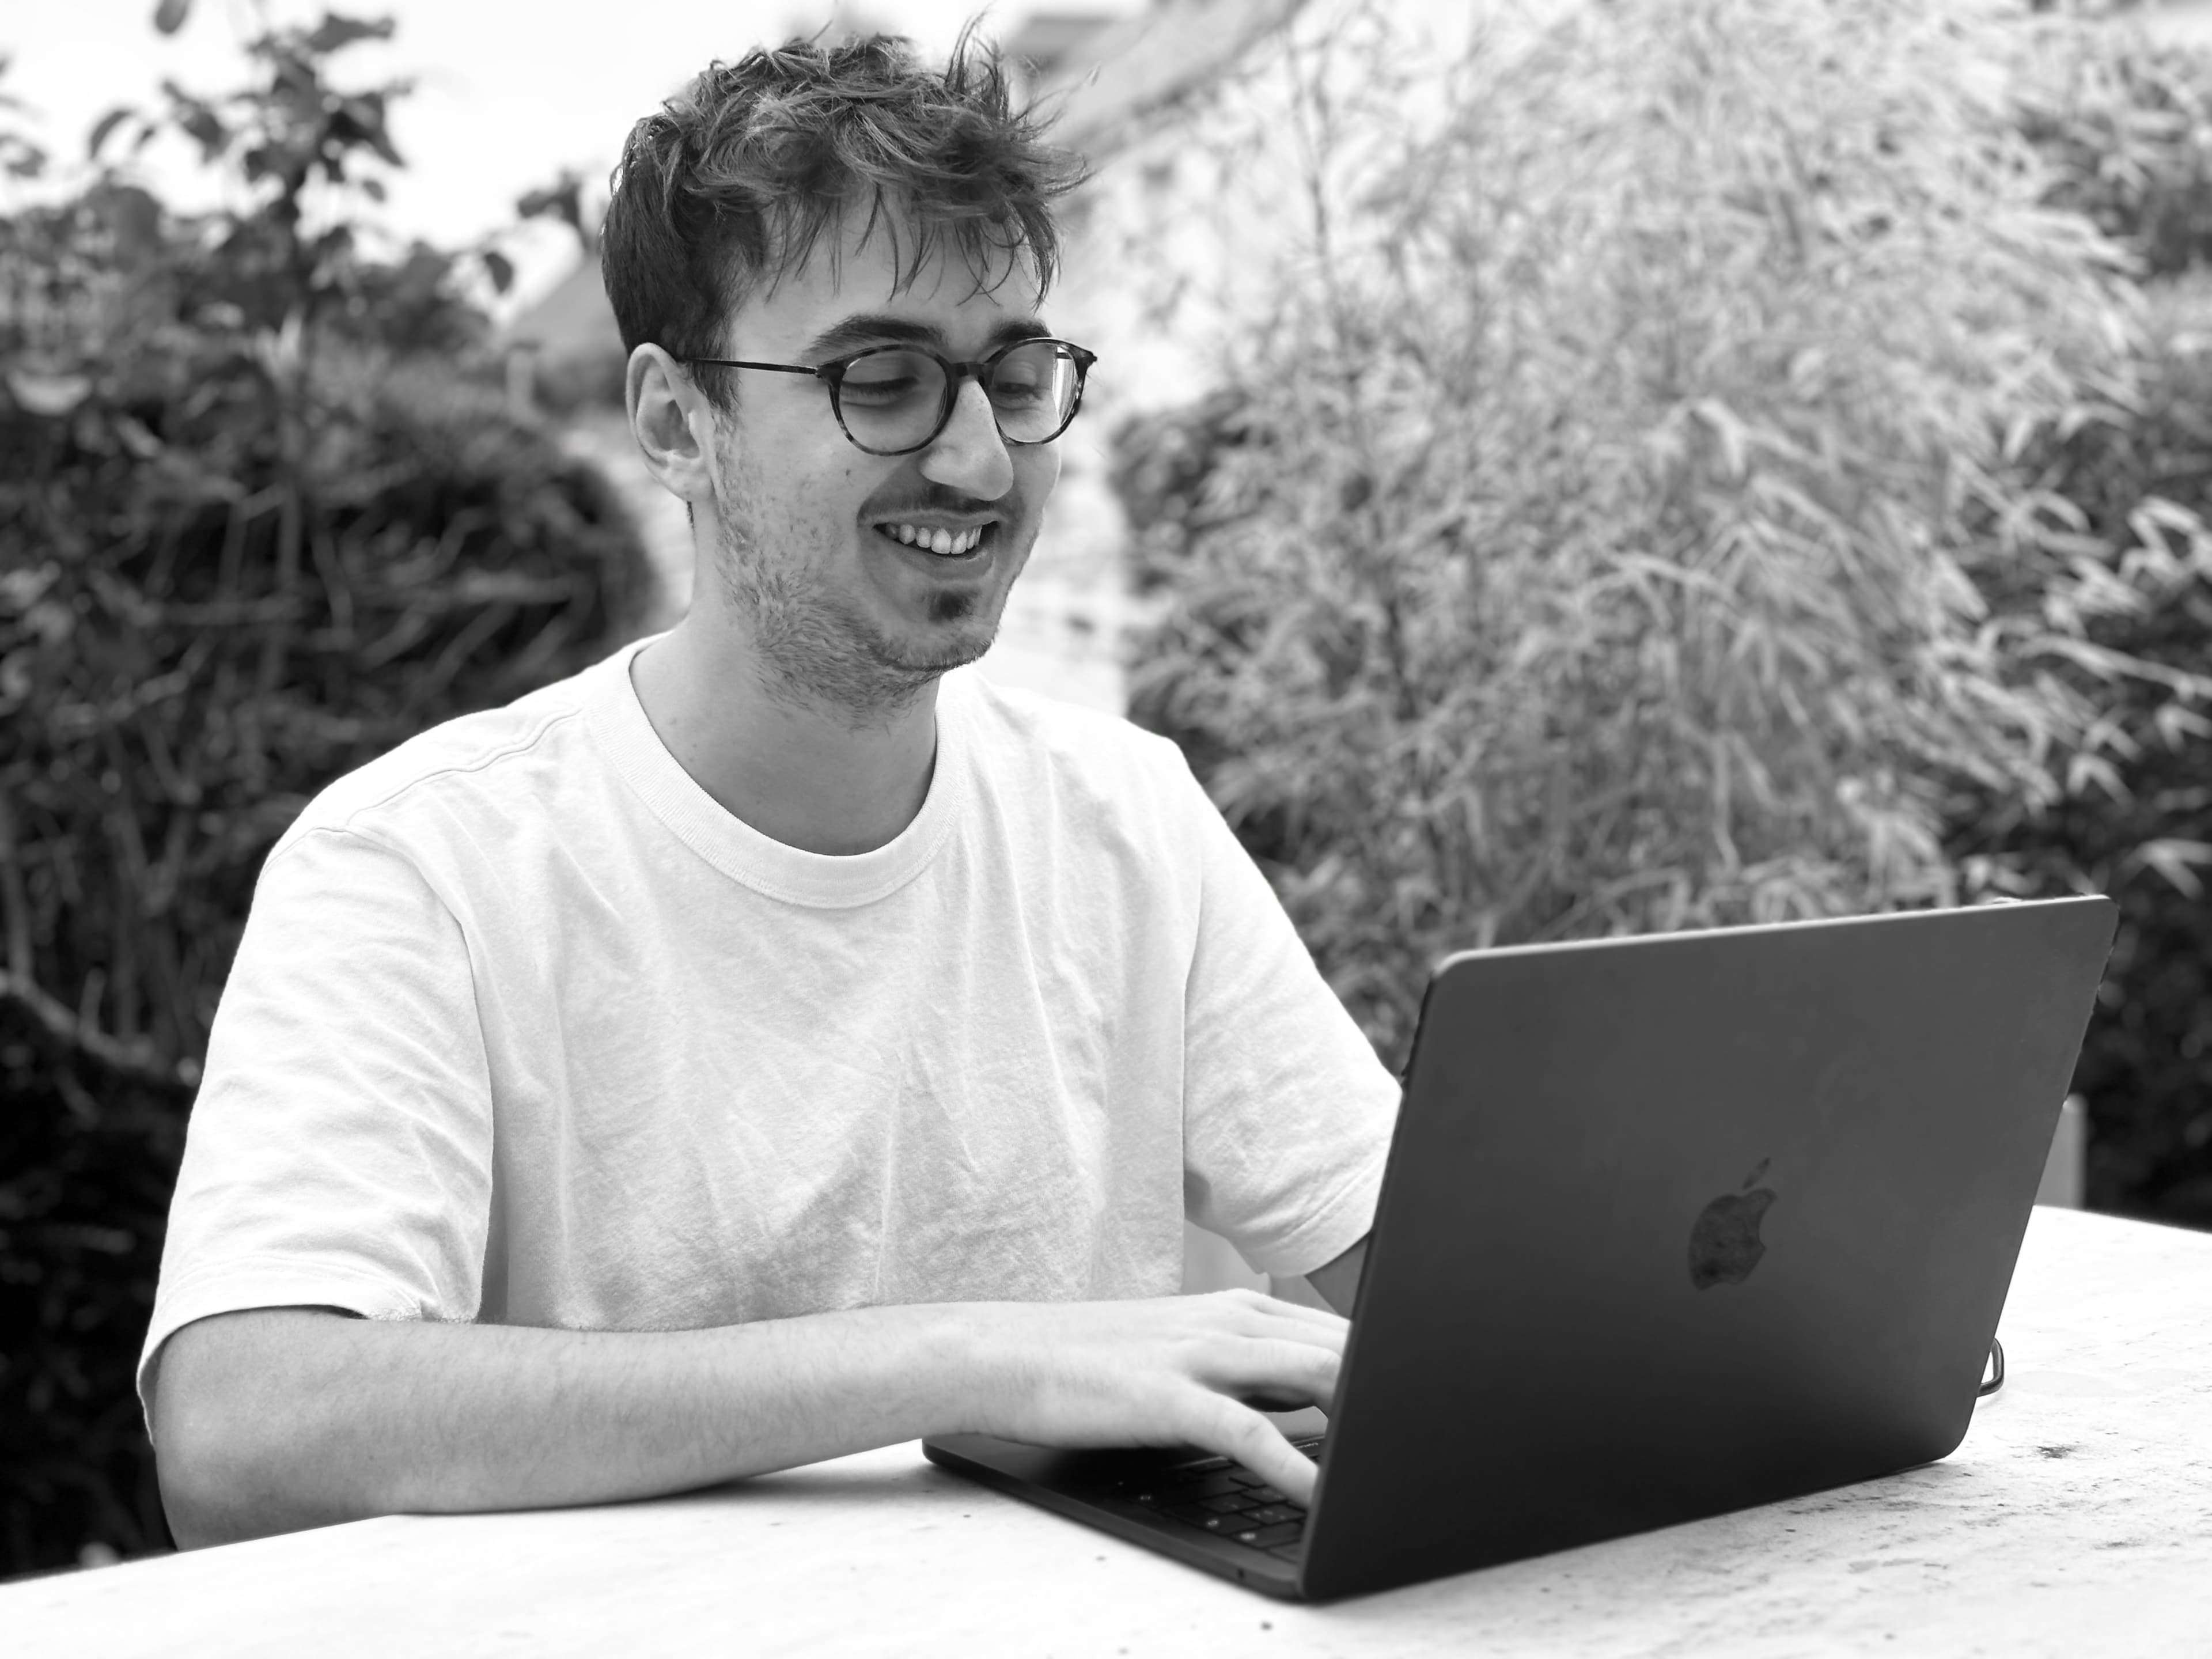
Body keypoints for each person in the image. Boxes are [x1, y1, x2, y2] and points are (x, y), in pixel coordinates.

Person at [143, 30, 1399, 1550]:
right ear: (678, 423)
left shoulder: (1127, 819)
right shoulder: (424, 866)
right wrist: (965, 1354)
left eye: (1014, 372)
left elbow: (1444, 1304)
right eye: (883, 380)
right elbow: (246, 1426)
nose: (981, 459)